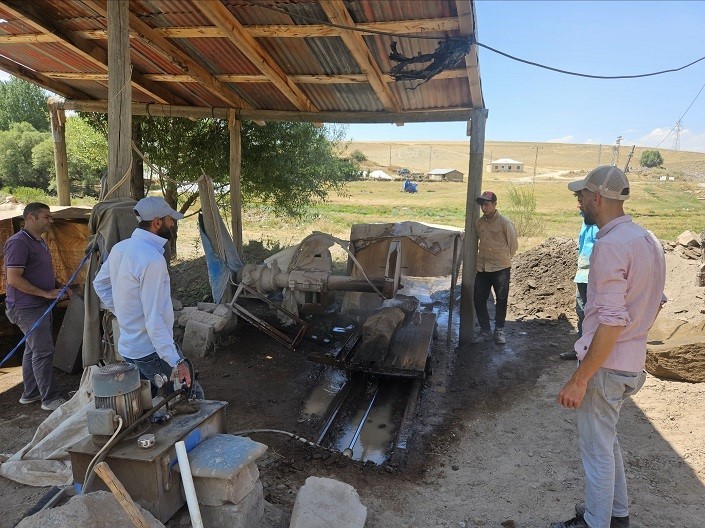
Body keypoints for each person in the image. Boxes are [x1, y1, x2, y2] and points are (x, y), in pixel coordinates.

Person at [550, 166, 666, 528]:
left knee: (596, 451)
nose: (579, 203)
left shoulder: (611, 245)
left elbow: (612, 320)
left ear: (596, 198)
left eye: (581, 196)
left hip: (607, 365)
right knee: (607, 441)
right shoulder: (646, 239)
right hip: (631, 362)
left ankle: (596, 523)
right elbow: (655, 300)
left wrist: (580, 378)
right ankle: (616, 516)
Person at [93, 196, 201, 398]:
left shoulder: (120, 248)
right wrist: (176, 361)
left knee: (147, 401)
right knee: (189, 395)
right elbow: (154, 319)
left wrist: (123, 312)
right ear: (157, 222)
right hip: (150, 350)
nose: (172, 224)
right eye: (170, 220)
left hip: (128, 346)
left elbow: (99, 284)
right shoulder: (151, 260)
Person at [4, 203, 70, 411]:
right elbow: (13, 279)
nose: (51, 221)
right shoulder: (18, 243)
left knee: (33, 350)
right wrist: (45, 293)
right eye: (46, 217)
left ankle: (30, 393)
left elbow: (42, 271)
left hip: (39, 304)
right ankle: (50, 399)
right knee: (43, 351)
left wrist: (58, 286)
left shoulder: (39, 241)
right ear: (31, 218)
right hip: (26, 307)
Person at [472, 191, 518, 345]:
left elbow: (513, 246)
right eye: (482, 205)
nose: (484, 207)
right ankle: (485, 330)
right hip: (483, 268)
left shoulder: (504, 223)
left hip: (501, 268)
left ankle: (499, 330)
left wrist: (503, 259)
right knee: (478, 299)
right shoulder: (479, 223)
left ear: (494, 205)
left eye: (487, 204)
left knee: (501, 299)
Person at [560, 191, 598, 360]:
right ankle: (581, 350)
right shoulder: (586, 221)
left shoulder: (600, 223)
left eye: (581, 200)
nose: (578, 204)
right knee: (582, 313)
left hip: (594, 277)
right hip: (582, 275)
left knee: (592, 316)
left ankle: (593, 352)